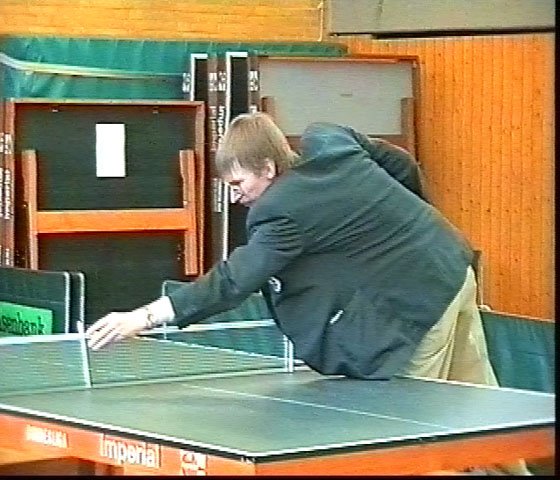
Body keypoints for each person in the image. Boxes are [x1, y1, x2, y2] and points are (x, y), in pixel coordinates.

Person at [86, 112, 530, 475]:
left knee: (411, 432)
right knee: (477, 402)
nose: (236, 197)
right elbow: (401, 164)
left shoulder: (280, 213)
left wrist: (143, 317)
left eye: (239, 185)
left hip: (419, 304)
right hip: (452, 264)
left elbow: (233, 280)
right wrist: (410, 219)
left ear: (268, 168)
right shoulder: (330, 140)